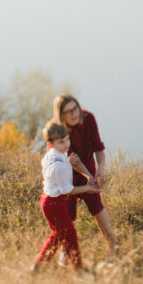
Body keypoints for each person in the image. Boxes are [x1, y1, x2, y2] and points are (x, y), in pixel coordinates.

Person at [53, 93, 118, 255]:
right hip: (64, 171)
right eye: (69, 112)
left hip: (87, 164)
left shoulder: (88, 118)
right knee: (67, 213)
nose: (74, 114)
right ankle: (65, 252)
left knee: (96, 205)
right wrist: (89, 177)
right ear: (61, 115)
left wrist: (100, 169)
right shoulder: (57, 130)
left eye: (75, 109)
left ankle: (113, 247)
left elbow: (98, 146)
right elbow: (72, 159)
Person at [32, 122, 100, 272]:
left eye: (67, 139)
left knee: (57, 235)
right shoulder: (59, 165)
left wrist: (68, 162)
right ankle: (79, 270)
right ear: (51, 143)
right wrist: (88, 188)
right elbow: (67, 190)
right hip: (54, 204)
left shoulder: (53, 155)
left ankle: (38, 266)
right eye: (61, 142)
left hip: (48, 200)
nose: (66, 144)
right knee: (70, 236)